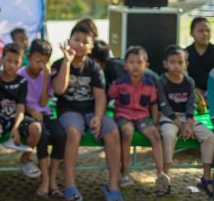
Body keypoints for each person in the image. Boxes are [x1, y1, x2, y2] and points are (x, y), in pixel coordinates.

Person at [51, 25, 123, 201]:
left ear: (91, 47)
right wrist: (67, 62)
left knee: (112, 131)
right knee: (73, 133)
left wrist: (98, 117)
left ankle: (112, 186)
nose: (80, 44)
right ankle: (70, 185)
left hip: (92, 111)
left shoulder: (95, 67)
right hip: (69, 110)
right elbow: (59, 90)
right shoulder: (58, 64)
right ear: (69, 41)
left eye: (85, 42)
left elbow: (100, 97)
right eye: (77, 39)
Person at [107, 46, 169, 195]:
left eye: (139, 62)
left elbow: (153, 104)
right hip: (124, 116)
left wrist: (154, 122)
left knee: (155, 135)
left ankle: (160, 173)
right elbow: (108, 96)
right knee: (127, 132)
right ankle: (125, 173)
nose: (135, 65)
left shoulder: (149, 84)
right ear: (125, 65)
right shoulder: (119, 83)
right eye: (132, 62)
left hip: (142, 117)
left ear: (146, 65)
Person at [0, 43, 42, 185]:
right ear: (1, 60)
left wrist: (16, 127)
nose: (11, 65)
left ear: (21, 63)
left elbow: (21, 107)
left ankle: (25, 159)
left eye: (16, 62)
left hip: (15, 117)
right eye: (8, 61)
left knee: (36, 128)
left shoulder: (22, 81)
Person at [158, 45, 214, 196]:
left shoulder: (189, 81)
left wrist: (188, 124)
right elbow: (164, 106)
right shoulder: (161, 81)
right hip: (169, 117)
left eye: (180, 62)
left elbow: (191, 105)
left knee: (209, 136)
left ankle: (206, 179)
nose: (176, 66)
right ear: (165, 64)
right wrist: (181, 126)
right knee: (169, 136)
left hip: (188, 118)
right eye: (172, 62)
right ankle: (164, 178)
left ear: (186, 64)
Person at [18, 39, 66, 198]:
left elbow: (43, 102)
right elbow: (17, 101)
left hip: (44, 113)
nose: (40, 65)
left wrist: (46, 80)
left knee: (60, 135)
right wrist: (30, 110)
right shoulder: (21, 74)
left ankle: (53, 181)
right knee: (43, 136)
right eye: (37, 60)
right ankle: (45, 181)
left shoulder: (46, 75)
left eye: (44, 62)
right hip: (26, 114)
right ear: (28, 56)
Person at [91, 40, 159, 91]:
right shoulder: (110, 65)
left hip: (154, 86)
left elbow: (123, 89)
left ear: (95, 60)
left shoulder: (114, 68)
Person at [187, 17, 214, 108]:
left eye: (208, 31)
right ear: (192, 33)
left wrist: (209, 91)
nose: (205, 34)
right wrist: (193, 89)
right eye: (201, 31)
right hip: (193, 93)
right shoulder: (184, 54)